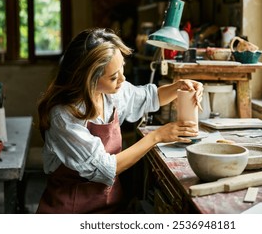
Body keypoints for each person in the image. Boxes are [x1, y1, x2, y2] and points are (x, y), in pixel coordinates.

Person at [36, 27, 203, 214]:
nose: (122, 79)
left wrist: (179, 86)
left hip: (111, 203)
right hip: (72, 209)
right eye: (114, 76)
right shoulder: (64, 116)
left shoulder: (110, 93)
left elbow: (148, 97)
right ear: (89, 79)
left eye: (122, 67)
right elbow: (106, 169)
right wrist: (156, 136)